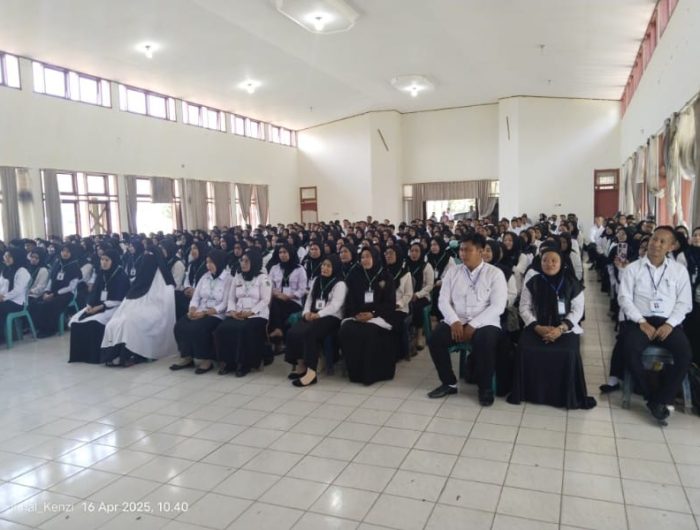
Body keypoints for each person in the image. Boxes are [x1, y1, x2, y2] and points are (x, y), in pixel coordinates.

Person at [617, 226, 693, 422]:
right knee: (629, 350)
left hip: (669, 323)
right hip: (640, 321)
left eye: (662, 241)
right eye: (654, 239)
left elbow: (685, 303)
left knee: (685, 354)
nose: (656, 244)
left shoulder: (679, 271)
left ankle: (662, 397)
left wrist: (670, 324)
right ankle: (652, 396)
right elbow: (624, 299)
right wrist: (641, 321)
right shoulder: (633, 268)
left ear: (671, 247)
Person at [507, 246, 596, 409]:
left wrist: (560, 329)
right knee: (524, 348)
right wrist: (537, 327)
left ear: (562, 263)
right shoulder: (533, 282)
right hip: (537, 326)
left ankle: (563, 395)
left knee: (569, 352)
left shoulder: (572, 282)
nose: (549, 264)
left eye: (554, 260)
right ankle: (528, 393)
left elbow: (577, 310)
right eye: (545, 260)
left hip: (565, 328)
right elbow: (524, 308)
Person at [427, 233, 507, 406]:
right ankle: (449, 383)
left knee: (485, 342)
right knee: (435, 339)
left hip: (485, 322)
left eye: (467, 250)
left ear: (480, 251)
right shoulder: (453, 272)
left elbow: (498, 306)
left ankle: (485, 387)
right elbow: (443, 301)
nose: (462, 254)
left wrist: (473, 325)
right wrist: (454, 321)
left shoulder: (495, 274)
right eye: (461, 250)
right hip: (457, 319)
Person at [101, 245, 177, 367]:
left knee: (129, 323)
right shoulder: (143, 275)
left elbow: (163, 305)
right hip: (136, 308)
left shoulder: (164, 279)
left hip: (154, 310)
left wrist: (140, 309)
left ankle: (127, 356)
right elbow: (131, 297)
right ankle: (113, 355)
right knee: (114, 322)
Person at [285, 255, 347, 387]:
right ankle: (301, 366)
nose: (325, 268)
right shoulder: (317, 280)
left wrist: (319, 314)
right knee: (293, 331)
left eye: (329, 266)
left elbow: (335, 305)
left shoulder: (340, 283)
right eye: (323, 265)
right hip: (313, 314)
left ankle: (311, 373)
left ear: (335, 267)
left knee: (310, 332)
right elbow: (309, 299)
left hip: (331, 317)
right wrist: (306, 313)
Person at [338, 246, 397, 385]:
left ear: (375, 258)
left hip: (379, 316)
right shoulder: (355, 275)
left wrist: (372, 314)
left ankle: (370, 374)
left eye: (368, 256)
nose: (365, 260)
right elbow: (350, 299)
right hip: (357, 315)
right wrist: (356, 314)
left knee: (369, 333)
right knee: (346, 330)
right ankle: (355, 373)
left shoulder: (386, 276)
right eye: (362, 257)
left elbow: (390, 303)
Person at [170, 250, 231, 374]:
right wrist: (192, 309)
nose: (208, 265)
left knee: (198, 328)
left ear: (219, 262)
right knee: (180, 325)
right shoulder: (205, 277)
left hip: (216, 314)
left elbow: (225, 303)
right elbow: (196, 297)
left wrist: (205, 313)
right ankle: (187, 356)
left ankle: (206, 360)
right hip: (199, 310)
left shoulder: (228, 279)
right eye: (207, 262)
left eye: (211, 262)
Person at [214, 248, 272, 377]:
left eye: (247, 261)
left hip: (257, 315)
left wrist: (251, 312)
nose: (243, 264)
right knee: (222, 328)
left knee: (244, 330)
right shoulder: (238, 277)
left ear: (255, 262)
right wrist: (232, 311)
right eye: (242, 260)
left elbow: (265, 300)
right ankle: (229, 362)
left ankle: (245, 363)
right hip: (239, 313)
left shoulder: (263, 278)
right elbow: (231, 298)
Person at [68, 249, 130, 363]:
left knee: (94, 322)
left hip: (114, 307)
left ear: (113, 261)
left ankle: (95, 357)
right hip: (96, 306)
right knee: (76, 321)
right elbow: (94, 293)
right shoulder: (101, 274)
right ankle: (80, 356)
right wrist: (89, 305)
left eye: (107, 260)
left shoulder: (121, 276)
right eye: (102, 259)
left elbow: (119, 300)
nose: (104, 262)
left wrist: (100, 307)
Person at [29, 244, 81, 338]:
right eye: (63, 251)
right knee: (37, 302)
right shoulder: (58, 263)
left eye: (67, 251)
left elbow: (71, 287)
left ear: (72, 253)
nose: (64, 253)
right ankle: (39, 327)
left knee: (50, 304)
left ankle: (50, 329)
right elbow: (51, 280)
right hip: (53, 291)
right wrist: (46, 292)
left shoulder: (74, 266)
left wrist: (55, 294)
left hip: (66, 294)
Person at [267, 243, 307, 346]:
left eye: (285, 252)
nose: (282, 255)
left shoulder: (300, 269)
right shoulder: (275, 268)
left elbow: (302, 290)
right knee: (274, 305)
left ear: (291, 253)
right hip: (277, 298)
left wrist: (289, 296)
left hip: (294, 301)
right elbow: (269, 286)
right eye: (280, 252)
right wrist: (278, 294)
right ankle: (279, 334)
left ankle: (278, 335)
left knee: (275, 306)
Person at [384, 244, 413, 360]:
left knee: (393, 323)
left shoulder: (405, 273)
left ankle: (396, 353)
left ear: (398, 255)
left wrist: (398, 304)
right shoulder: (382, 272)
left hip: (400, 308)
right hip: (384, 307)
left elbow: (408, 294)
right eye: (386, 253)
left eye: (391, 253)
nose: (388, 256)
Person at [406, 241, 434, 352]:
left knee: (416, 307)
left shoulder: (426, 266)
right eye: (412, 251)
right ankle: (407, 334)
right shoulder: (406, 265)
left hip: (422, 296)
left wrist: (417, 294)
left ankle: (419, 335)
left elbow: (430, 285)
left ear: (421, 252)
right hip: (407, 295)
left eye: (417, 251)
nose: (414, 253)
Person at [0, 247, 31, 343]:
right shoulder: (6, 270)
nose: (6, 258)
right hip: (5, 299)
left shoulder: (22, 271)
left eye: (9, 256)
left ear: (16, 257)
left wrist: (4, 298)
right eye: (5, 256)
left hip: (17, 303)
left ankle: (2, 337)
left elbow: (17, 290)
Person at [176, 241, 208, 320]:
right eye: (191, 249)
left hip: (201, 296)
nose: (192, 251)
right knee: (176, 296)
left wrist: (195, 291)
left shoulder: (207, 266)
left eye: (195, 248)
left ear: (201, 250)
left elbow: (207, 284)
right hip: (190, 292)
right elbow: (187, 279)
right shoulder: (192, 264)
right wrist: (187, 288)